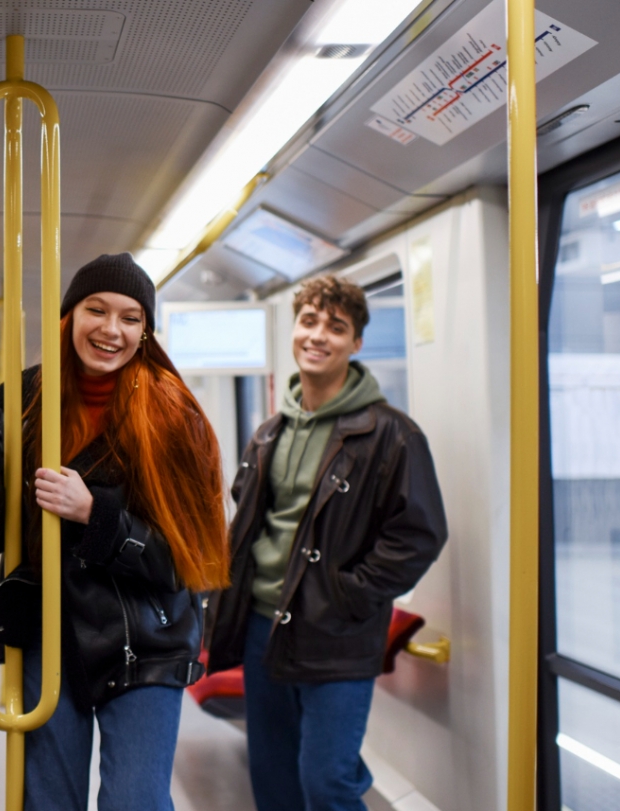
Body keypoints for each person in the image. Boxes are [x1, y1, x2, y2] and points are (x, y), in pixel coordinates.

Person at [0, 253, 230, 811]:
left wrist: (97, 518)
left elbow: (188, 558)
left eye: (129, 318)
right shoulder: (20, 401)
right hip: (46, 628)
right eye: (96, 310)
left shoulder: (175, 417)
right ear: (69, 316)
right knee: (49, 801)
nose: (111, 330)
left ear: (145, 331)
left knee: (135, 801)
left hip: (143, 636)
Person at [206, 274, 448, 811]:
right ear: (294, 330)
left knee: (327, 782)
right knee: (274, 782)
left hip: (337, 635)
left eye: (335, 327)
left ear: (355, 343)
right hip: (262, 630)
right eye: (308, 321)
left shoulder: (392, 435)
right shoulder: (269, 432)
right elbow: (250, 526)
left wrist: (346, 595)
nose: (318, 336)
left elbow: (420, 534)